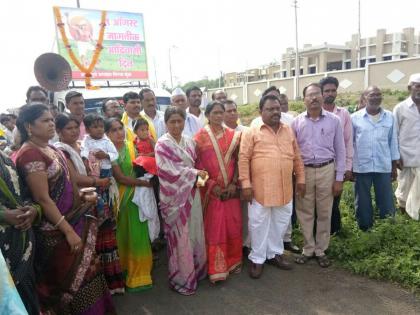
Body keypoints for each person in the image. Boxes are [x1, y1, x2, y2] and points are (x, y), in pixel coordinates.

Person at [15, 104, 115, 314]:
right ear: (28, 126)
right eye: (45, 120)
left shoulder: (52, 149)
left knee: (90, 277)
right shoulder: (30, 154)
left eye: (52, 119)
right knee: (69, 285)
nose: (51, 123)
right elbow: (43, 199)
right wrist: (68, 232)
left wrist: (82, 195)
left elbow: (67, 185)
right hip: (57, 233)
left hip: (75, 221)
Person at [54, 113, 124, 295]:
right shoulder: (62, 150)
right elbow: (75, 177)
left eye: (76, 127)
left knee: (105, 237)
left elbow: (110, 159)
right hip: (82, 201)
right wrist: (97, 182)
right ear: (59, 131)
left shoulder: (77, 147)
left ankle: (111, 284)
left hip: (97, 197)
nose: (74, 131)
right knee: (90, 245)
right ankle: (97, 291)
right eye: (69, 128)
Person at [239, 95, 305, 279]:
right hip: (260, 190)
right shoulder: (252, 131)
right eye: (270, 109)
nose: (275, 112)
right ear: (261, 112)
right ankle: (257, 258)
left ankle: (274, 254)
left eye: (277, 108)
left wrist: (301, 179)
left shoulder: (288, 131)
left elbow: (297, 157)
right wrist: (245, 184)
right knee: (258, 224)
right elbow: (243, 159)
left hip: (285, 189)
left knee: (281, 222)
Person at [292, 83, 345, 268]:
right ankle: (308, 248)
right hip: (304, 170)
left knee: (324, 211)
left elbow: (341, 150)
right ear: (304, 99)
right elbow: (293, 152)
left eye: (317, 94)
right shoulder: (296, 122)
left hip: (326, 169)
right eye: (310, 95)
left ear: (322, 97)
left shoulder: (334, 121)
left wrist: (339, 179)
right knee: (305, 211)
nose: (313, 98)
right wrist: (298, 176)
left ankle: (321, 250)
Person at [155, 107, 207, 295]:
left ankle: (197, 270)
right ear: (166, 123)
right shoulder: (162, 144)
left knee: (194, 231)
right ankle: (182, 278)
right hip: (174, 198)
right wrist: (193, 173)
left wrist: (198, 175)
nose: (177, 125)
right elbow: (167, 171)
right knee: (181, 236)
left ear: (184, 121)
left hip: (192, 193)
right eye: (172, 122)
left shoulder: (190, 142)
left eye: (180, 121)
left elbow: (195, 163)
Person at [194, 101, 242, 283]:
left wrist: (234, 184)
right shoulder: (199, 138)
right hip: (211, 192)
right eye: (214, 113)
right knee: (214, 229)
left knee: (233, 225)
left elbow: (239, 161)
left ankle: (233, 262)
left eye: (221, 112)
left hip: (230, 191)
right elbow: (196, 167)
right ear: (207, 115)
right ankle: (216, 268)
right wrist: (212, 186)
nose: (219, 116)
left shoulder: (234, 136)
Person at [106, 118, 153, 291]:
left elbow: (147, 159)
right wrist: (145, 184)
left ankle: (141, 275)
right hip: (121, 199)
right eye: (114, 130)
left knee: (139, 234)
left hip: (138, 199)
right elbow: (121, 178)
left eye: (121, 128)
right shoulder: (109, 152)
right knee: (123, 236)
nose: (119, 132)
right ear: (107, 134)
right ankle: (125, 272)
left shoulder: (133, 146)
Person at [352, 86, 400, 230]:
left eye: (379, 95)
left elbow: (393, 142)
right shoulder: (354, 118)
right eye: (372, 95)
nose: (376, 97)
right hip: (361, 166)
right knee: (362, 202)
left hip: (383, 165)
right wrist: (350, 167)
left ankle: (387, 229)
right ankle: (365, 229)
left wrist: (393, 167)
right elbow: (350, 144)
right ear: (364, 98)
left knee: (386, 200)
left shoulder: (389, 117)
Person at [0, 150, 41, 314]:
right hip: (4, 249)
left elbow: (25, 194)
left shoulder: (6, 159)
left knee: (26, 298)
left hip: (21, 240)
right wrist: (4, 215)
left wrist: (33, 210)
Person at [320, 76, 353, 234]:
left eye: (333, 90)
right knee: (318, 203)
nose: (330, 93)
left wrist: (347, 167)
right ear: (321, 93)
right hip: (319, 167)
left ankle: (334, 232)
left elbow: (348, 142)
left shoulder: (343, 114)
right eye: (327, 91)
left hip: (337, 167)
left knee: (334, 200)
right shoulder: (314, 113)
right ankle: (320, 233)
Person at [393, 73, 420, 220]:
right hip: (406, 159)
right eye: (418, 86)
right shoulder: (400, 108)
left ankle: (415, 221)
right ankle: (405, 222)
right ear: (410, 88)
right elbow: (394, 135)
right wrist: (396, 156)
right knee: (403, 192)